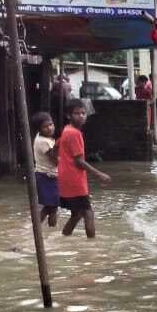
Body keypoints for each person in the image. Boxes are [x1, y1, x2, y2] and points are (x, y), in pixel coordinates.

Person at [57, 99, 111, 238]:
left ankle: (64, 236)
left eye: (83, 113)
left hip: (66, 177)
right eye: (77, 113)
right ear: (69, 116)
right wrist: (99, 174)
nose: (81, 116)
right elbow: (79, 161)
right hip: (75, 179)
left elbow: (56, 148)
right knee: (87, 212)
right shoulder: (75, 133)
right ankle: (92, 244)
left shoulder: (66, 130)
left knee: (77, 213)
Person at [31, 112, 60, 227]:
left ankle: (48, 231)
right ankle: (36, 228)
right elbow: (55, 161)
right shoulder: (43, 142)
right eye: (45, 126)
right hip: (46, 177)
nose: (49, 128)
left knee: (52, 207)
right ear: (39, 129)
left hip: (48, 176)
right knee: (50, 207)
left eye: (51, 124)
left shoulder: (43, 137)